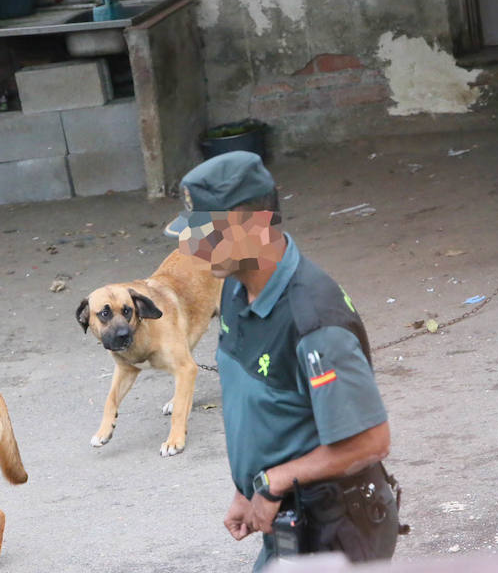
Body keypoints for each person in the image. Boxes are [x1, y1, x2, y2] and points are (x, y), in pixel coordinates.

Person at [164, 151, 403, 570]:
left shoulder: (315, 320)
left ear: (255, 226)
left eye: (207, 234)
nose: (194, 248)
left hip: (336, 527)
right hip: (285, 514)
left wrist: (273, 482)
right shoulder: (235, 294)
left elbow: (371, 441)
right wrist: (248, 486)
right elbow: (259, 408)